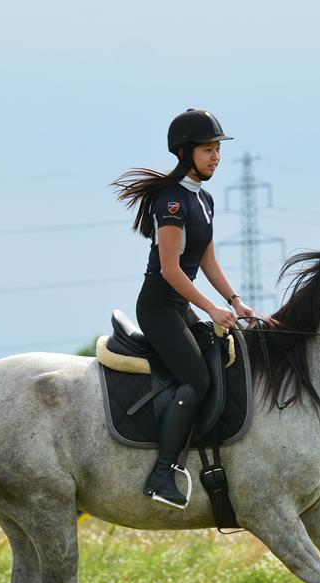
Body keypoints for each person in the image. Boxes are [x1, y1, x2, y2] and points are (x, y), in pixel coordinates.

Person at [111, 109, 258, 509]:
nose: (216, 157)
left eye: (218, 150)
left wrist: (235, 303)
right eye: (208, 150)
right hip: (159, 307)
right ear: (185, 152)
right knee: (196, 380)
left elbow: (208, 261)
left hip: (181, 306)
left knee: (219, 362)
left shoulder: (204, 199)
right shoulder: (172, 202)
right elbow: (172, 270)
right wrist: (211, 308)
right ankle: (162, 474)